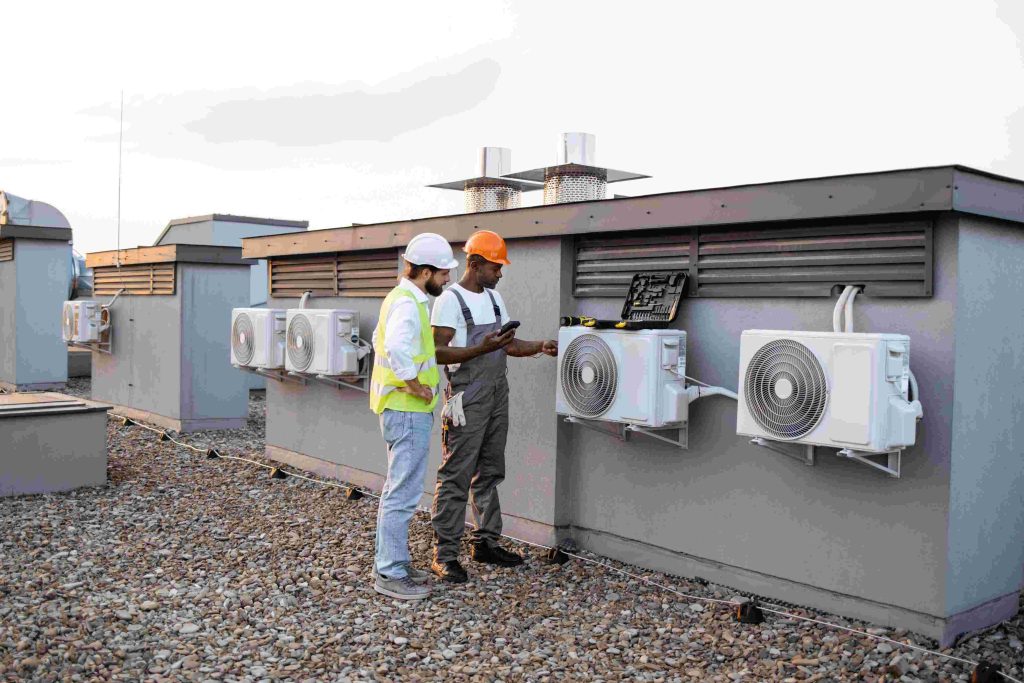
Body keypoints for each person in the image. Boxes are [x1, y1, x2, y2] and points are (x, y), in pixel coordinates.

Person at [429, 230, 558, 584]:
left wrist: (540, 345)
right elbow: (437, 352)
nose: (500, 273)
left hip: (498, 391)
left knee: (489, 469)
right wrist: (482, 349)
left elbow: (508, 346)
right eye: (496, 266)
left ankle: (485, 542)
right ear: (474, 264)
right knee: (456, 472)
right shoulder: (450, 301)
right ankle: (445, 554)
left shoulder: (496, 299)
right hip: (467, 394)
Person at [369, 232, 458, 600]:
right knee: (402, 493)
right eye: (442, 274)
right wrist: (416, 386)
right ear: (424, 271)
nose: (447, 280)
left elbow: (379, 339)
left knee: (400, 489)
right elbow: (393, 348)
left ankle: (397, 562)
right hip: (407, 411)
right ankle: (389, 573)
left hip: (402, 410)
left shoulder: (402, 299)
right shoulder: (408, 303)